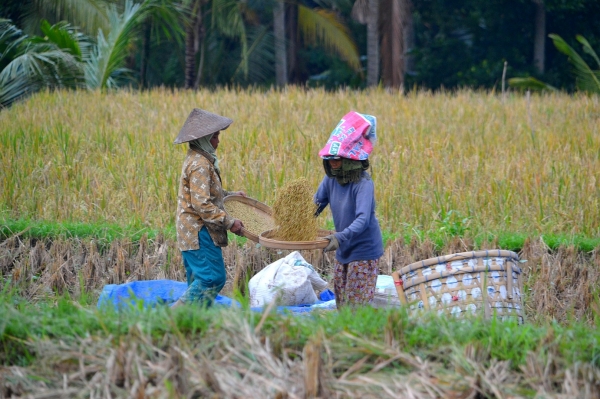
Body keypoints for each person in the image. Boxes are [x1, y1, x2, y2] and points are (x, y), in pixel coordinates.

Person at [170, 108, 245, 309]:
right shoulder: (200, 164)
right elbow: (202, 204)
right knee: (212, 277)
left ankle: (192, 322)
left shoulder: (200, 160)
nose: (218, 141)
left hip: (191, 231)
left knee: (198, 280)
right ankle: (173, 317)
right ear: (205, 139)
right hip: (198, 231)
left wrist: (231, 195)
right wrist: (230, 222)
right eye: (215, 137)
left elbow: (210, 194)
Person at [314, 111, 384, 309]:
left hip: (363, 251)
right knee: (342, 303)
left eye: (338, 159)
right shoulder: (330, 179)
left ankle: (359, 339)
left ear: (350, 159)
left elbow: (362, 220)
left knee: (357, 306)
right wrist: (295, 221)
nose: (333, 163)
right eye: (330, 159)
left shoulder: (363, 183)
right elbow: (316, 204)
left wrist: (339, 237)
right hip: (344, 249)